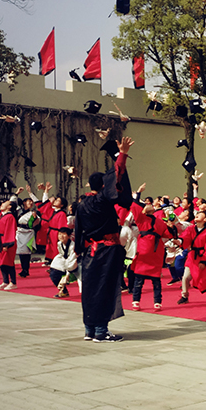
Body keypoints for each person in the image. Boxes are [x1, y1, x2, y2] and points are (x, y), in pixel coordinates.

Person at [74, 137, 133, 342]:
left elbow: (78, 229)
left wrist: (77, 250)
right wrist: (121, 155)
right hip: (106, 251)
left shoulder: (81, 205)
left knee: (90, 289)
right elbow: (114, 177)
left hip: (89, 252)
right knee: (104, 288)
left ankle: (89, 330)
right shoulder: (101, 200)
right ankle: (101, 331)